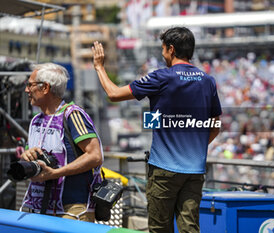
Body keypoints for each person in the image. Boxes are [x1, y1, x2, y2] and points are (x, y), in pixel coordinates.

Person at [92, 27, 222, 233]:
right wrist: (194, 148)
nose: (162, 55)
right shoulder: (208, 81)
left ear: (171, 49)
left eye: (163, 49)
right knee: (190, 228)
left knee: (159, 228)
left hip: (164, 171)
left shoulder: (162, 77)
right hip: (195, 170)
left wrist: (99, 67)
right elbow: (215, 125)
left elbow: (114, 94)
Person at [20, 63, 103, 222]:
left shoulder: (73, 115)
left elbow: (95, 156)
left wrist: (55, 173)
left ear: (45, 88)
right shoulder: (37, 121)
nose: (26, 90)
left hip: (72, 208)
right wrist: (26, 156)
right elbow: (27, 155)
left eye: (30, 85)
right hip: (41, 206)